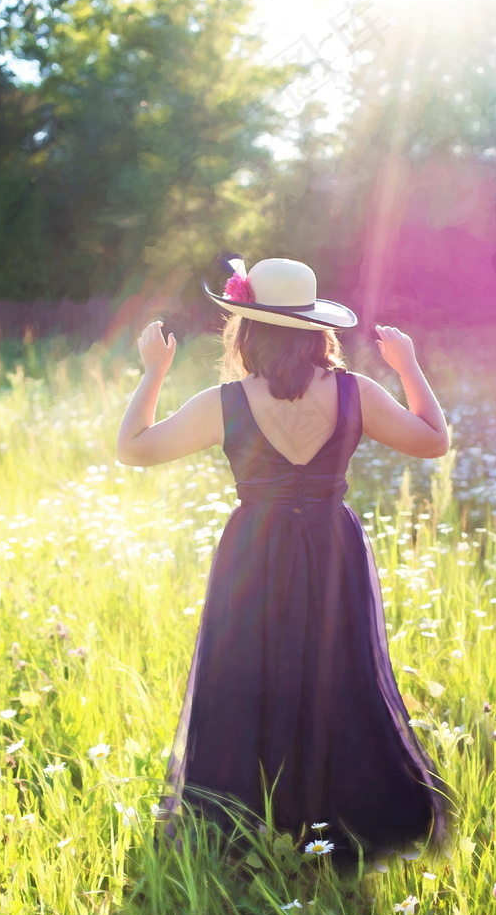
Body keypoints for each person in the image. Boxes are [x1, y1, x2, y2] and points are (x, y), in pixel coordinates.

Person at [116, 255, 455, 868]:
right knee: (339, 673)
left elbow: (134, 450)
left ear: (245, 331)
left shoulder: (225, 401)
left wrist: (153, 373)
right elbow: (434, 440)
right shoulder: (357, 392)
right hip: (333, 547)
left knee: (246, 675)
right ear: (317, 330)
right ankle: (340, 821)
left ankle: (247, 826)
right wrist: (409, 367)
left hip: (255, 552)